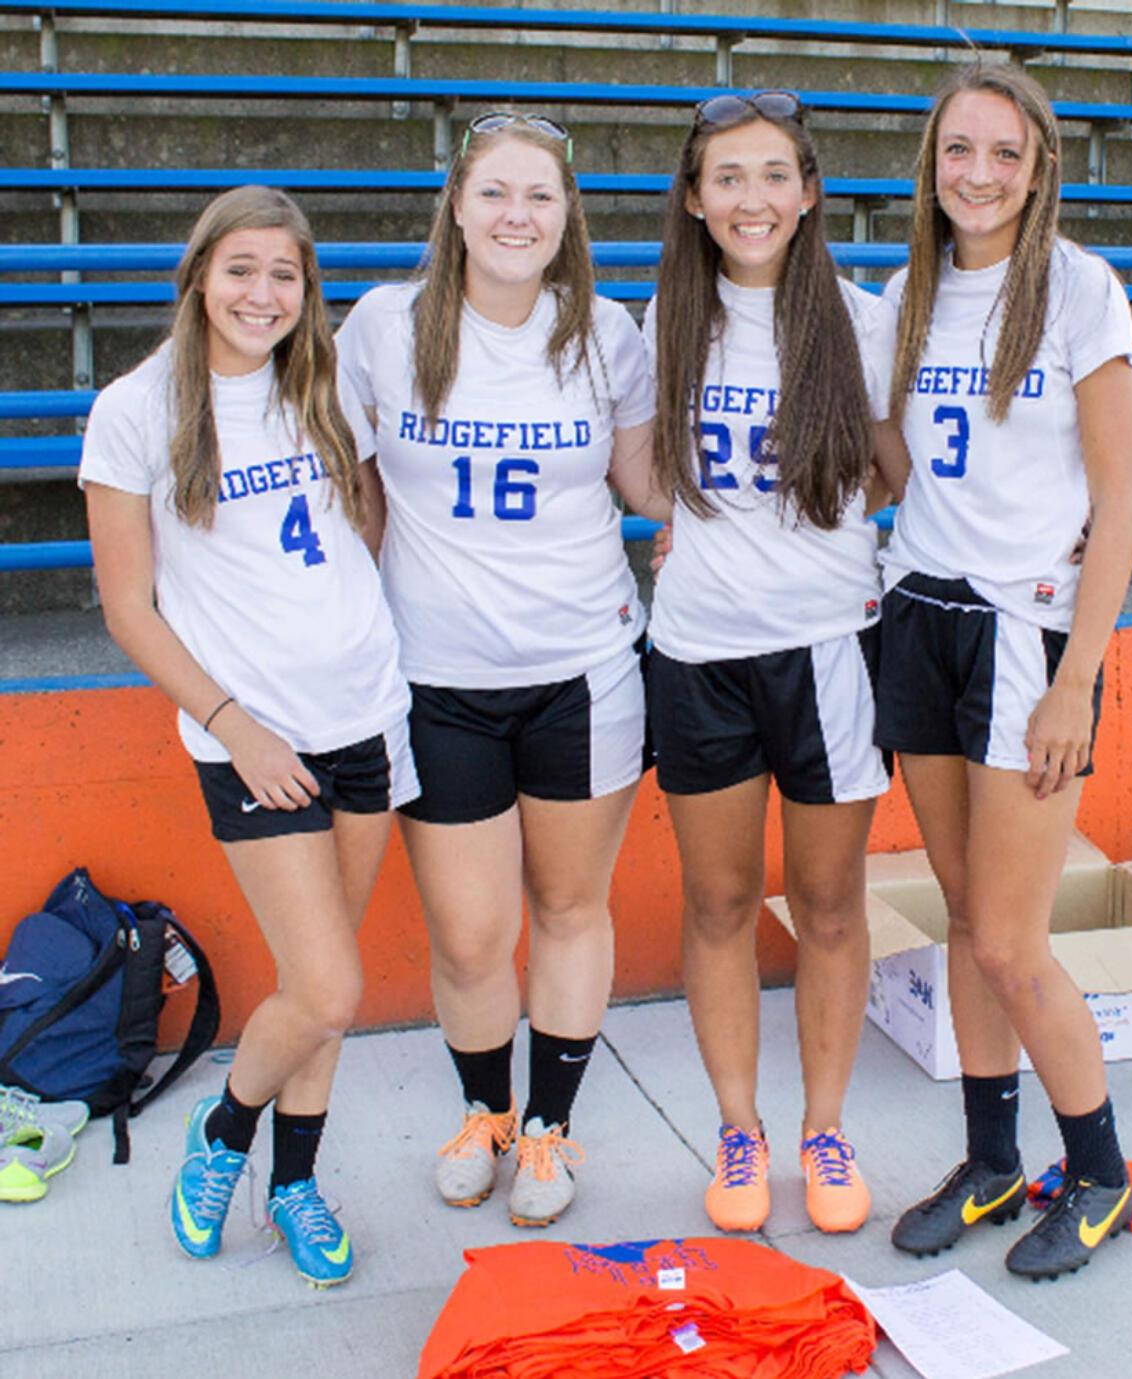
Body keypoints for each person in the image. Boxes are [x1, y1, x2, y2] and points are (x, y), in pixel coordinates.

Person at [80, 186, 417, 1287]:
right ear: (198, 277)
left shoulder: (320, 386)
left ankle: (293, 1182)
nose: (261, 292)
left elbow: (361, 519)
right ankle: (224, 1137)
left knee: (327, 979)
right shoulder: (137, 408)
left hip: (364, 714)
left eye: (284, 274)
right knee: (324, 989)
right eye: (241, 269)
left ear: (304, 290)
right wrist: (239, 722)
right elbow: (130, 605)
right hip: (252, 742)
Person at [335, 112, 665, 1227]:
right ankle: (483, 1107)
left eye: (539, 195)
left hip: (579, 668)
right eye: (494, 194)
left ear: (566, 213)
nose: (516, 214)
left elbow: (644, 482)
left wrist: (753, 517)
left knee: (569, 907)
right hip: (438, 678)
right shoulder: (386, 325)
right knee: (471, 932)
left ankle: (548, 1131)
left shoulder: (603, 332)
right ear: (458, 208)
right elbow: (347, 484)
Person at [872, 63, 1132, 1279]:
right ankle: (990, 1159)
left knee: (1008, 941)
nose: (974, 174)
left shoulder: (1080, 291)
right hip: (915, 616)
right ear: (930, 163)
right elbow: (897, 468)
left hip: (1023, 636)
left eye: (1001, 153)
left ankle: (1099, 1173)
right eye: (955, 151)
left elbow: (1121, 508)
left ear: (1036, 170)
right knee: (963, 914)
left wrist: (1075, 677)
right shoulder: (907, 289)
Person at [645, 90, 905, 1235]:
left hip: (829, 648)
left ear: (807, 192)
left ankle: (825, 1124)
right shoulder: (655, 321)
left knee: (830, 901)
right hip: (699, 650)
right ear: (695, 201)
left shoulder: (866, 319)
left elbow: (895, 466)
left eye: (771, 175)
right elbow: (634, 466)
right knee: (714, 900)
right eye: (726, 178)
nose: (750, 198)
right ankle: (739, 1125)